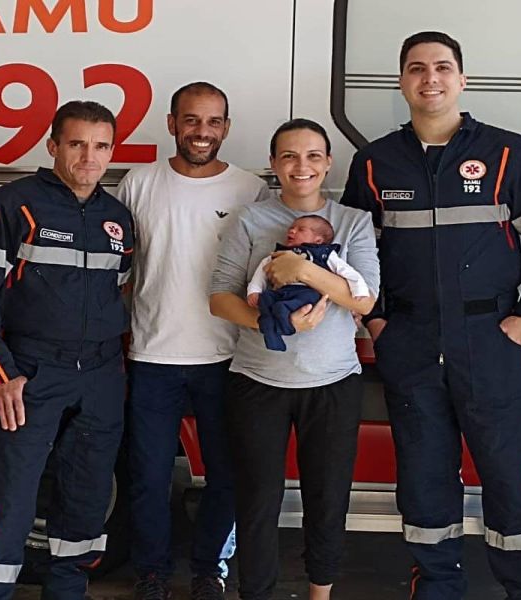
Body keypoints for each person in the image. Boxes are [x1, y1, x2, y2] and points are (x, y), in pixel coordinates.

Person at [339, 31, 521, 600]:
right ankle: (436, 587)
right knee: (422, 475)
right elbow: (351, 254)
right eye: (417, 68)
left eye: (442, 67)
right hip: (409, 340)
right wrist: (379, 322)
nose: (430, 78)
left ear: (462, 80)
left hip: (491, 338)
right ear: (402, 82)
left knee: (509, 473)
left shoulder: (507, 152)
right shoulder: (374, 163)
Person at [0, 100, 134, 600]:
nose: (88, 157)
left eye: (100, 146)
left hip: (100, 375)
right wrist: (0, 374)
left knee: (87, 494)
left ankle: (68, 590)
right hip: (30, 373)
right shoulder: (12, 205)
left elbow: (117, 292)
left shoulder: (118, 218)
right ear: (53, 146)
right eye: (76, 144)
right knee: (9, 497)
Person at [209, 118, 379, 600]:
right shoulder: (250, 220)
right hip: (257, 381)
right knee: (257, 500)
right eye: (288, 156)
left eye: (311, 156)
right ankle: (256, 592)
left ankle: (319, 592)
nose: (300, 166)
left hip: (333, 383)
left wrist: (302, 268)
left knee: (327, 499)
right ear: (273, 164)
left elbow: (365, 301)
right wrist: (272, 323)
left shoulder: (353, 222)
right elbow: (219, 298)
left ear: (327, 163)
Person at [115, 81, 273, 600]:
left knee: (225, 476)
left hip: (227, 358)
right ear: (171, 124)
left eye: (213, 122)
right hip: (152, 355)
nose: (201, 132)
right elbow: (123, 272)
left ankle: (211, 570)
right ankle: (152, 574)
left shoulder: (250, 190)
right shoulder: (138, 184)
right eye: (191, 120)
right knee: (148, 477)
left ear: (226, 127)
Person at [246, 215, 370, 351]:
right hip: (282, 291)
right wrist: (254, 290)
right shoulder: (280, 253)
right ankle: (270, 329)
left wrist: (359, 289)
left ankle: (277, 330)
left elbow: (347, 271)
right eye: (291, 228)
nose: (292, 231)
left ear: (318, 240)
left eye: (301, 230)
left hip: (306, 293)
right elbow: (263, 269)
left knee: (281, 308)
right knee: (266, 299)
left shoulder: (323, 254)